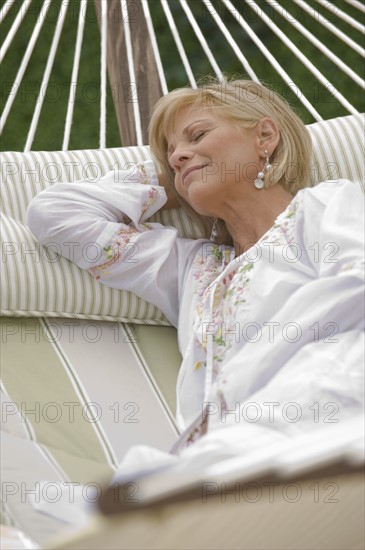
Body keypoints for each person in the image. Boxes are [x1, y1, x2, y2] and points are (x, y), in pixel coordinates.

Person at [27, 79, 364, 466]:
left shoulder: (323, 205)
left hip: (328, 414)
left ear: (265, 136)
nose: (177, 157)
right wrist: (172, 182)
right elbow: (54, 214)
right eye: (170, 154)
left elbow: (358, 289)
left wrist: (248, 377)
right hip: (233, 454)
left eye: (198, 135)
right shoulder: (193, 271)